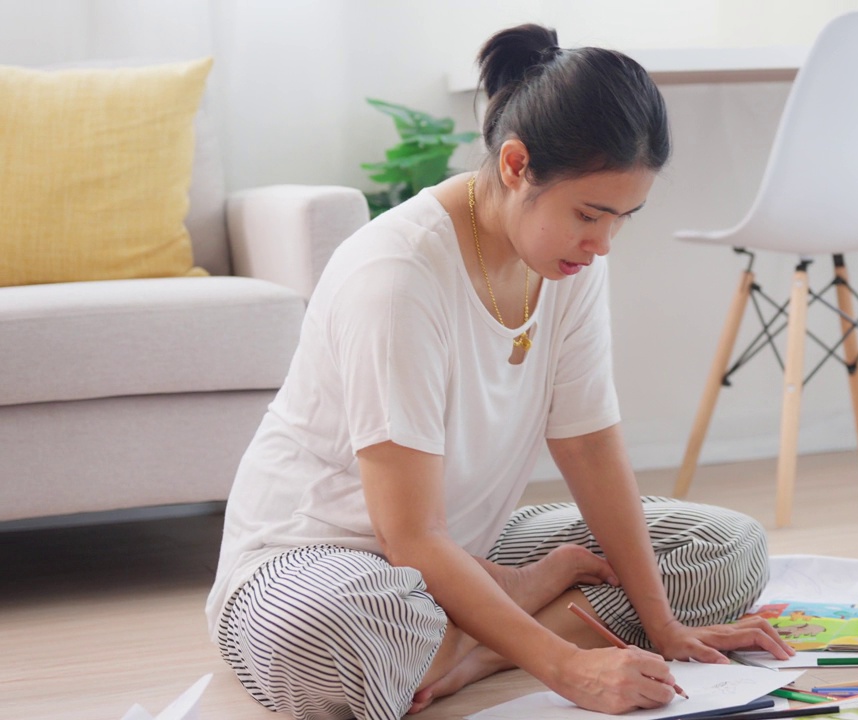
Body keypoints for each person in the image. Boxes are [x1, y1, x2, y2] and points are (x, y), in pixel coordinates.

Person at [205, 23, 791, 720]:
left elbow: (589, 445)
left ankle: (475, 643)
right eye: (590, 214)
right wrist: (568, 669)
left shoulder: (568, 260)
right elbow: (408, 537)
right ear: (516, 166)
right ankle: (504, 616)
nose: (603, 244)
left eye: (624, 218)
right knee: (329, 637)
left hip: (464, 549)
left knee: (726, 549)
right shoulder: (396, 275)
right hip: (315, 565)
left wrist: (665, 629)